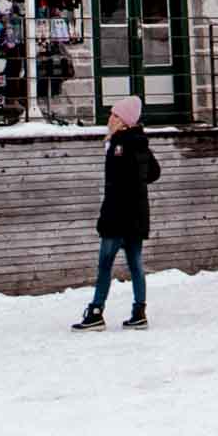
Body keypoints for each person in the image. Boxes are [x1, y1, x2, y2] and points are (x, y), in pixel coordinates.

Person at [72, 95, 161, 331]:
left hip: (118, 217)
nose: (110, 118)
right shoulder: (141, 142)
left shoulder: (120, 145)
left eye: (114, 115)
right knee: (135, 264)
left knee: (104, 265)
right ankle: (139, 311)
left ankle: (96, 312)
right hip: (137, 217)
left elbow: (116, 187)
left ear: (123, 121)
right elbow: (154, 173)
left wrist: (106, 217)